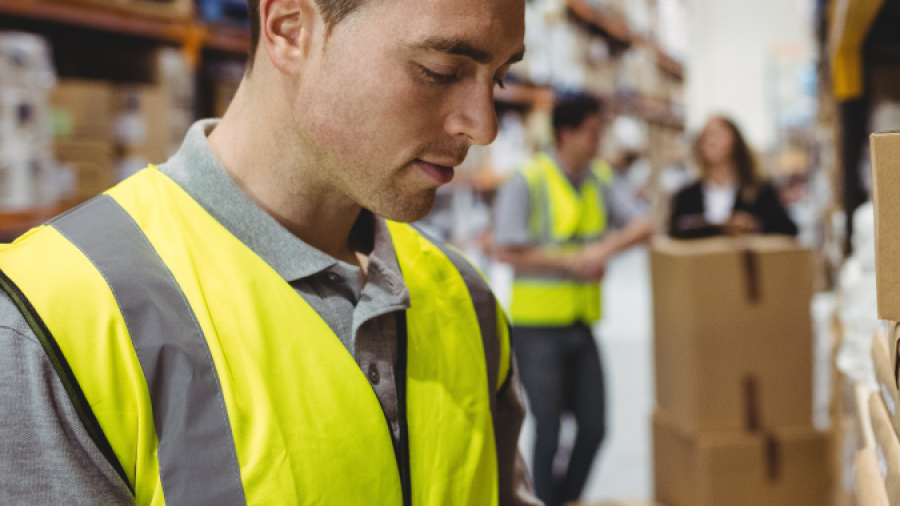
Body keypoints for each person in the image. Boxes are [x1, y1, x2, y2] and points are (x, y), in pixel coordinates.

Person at [0, 0, 543, 505]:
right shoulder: (57, 316)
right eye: (441, 70)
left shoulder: (464, 299)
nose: (484, 126)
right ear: (289, 28)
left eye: (498, 77)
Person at [492, 94, 654, 506]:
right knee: (548, 431)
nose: (601, 140)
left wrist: (602, 252)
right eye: (593, 132)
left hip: (582, 323)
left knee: (595, 428)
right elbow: (506, 250)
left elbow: (642, 224)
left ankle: (563, 499)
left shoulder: (599, 178)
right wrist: (572, 262)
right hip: (537, 328)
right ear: (566, 133)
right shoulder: (528, 180)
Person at [668, 116, 798, 239]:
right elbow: (673, 233)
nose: (711, 140)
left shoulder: (760, 191)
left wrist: (754, 225)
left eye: (718, 134)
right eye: (706, 135)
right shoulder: (686, 196)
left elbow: (789, 230)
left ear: (735, 141)